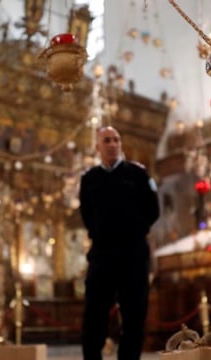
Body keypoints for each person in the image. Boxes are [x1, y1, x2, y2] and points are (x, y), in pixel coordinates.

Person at [78, 126, 160, 360]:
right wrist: (103, 232)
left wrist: (133, 230)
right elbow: (86, 214)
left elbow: (153, 210)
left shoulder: (138, 174)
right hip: (102, 255)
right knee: (94, 318)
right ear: (98, 147)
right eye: (107, 140)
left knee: (134, 319)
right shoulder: (89, 179)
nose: (112, 144)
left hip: (133, 255)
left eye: (116, 140)